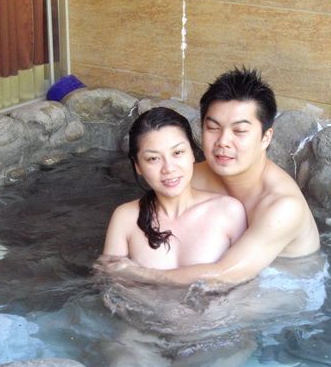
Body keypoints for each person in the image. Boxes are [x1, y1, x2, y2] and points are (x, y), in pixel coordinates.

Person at [100, 67, 320, 286]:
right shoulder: (192, 174)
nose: (223, 141)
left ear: (265, 138)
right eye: (213, 128)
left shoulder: (283, 207)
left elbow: (225, 275)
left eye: (239, 131)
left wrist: (141, 273)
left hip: (281, 290)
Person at [102, 106, 247, 268]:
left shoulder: (229, 211)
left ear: (192, 153)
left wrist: (140, 274)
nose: (169, 168)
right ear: (138, 166)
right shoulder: (125, 218)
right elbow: (108, 281)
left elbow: (245, 278)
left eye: (177, 153)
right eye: (153, 158)